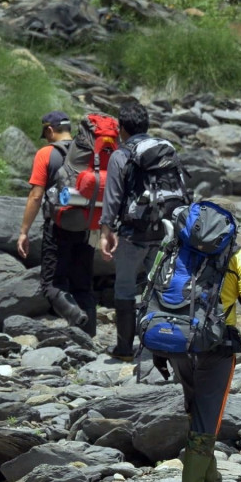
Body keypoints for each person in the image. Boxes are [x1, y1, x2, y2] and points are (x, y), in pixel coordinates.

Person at [168, 245, 241, 482]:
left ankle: (210, 477)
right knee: (207, 418)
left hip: (177, 339)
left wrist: (159, 348)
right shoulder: (237, 256)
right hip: (216, 345)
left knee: (196, 409)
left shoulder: (179, 250)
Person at [17, 110, 96, 337]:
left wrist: (24, 232)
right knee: (82, 284)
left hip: (58, 227)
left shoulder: (46, 153)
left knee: (51, 285)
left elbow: (35, 195)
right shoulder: (89, 153)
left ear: (50, 130)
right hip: (88, 226)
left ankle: (75, 316)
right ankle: (88, 337)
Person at [97, 101, 162, 360]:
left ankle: (124, 349)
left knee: (124, 289)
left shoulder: (121, 155)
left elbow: (112, 198)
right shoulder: (163, 149)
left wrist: (105, 231)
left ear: (121, 129)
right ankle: (160, 344)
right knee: (158, 288)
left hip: (133, 234)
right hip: (163, 232)